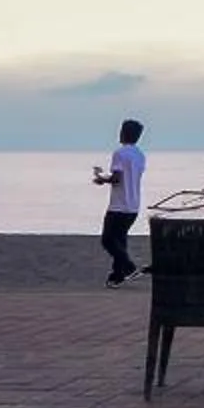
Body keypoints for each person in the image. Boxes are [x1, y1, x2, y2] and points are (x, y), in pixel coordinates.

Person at [92, 119, 146, 288]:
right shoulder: (140, 155)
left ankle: (129, 268)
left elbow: (117, 178)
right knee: (120, 240)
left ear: (123, 133)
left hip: (118, 205)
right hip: (133, 205)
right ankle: (117, 276)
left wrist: (101, 178)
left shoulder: (120, 153)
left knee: (108, 240)